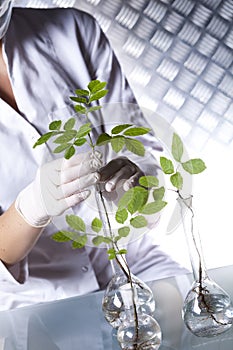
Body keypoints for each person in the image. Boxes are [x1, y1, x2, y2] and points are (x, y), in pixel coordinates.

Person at [0, 1, 187, 310]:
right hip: (33, 301)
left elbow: (138, 145)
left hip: (131, 259)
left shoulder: (72, 31)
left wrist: (137, 183)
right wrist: (31, 209)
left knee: (202, 329)